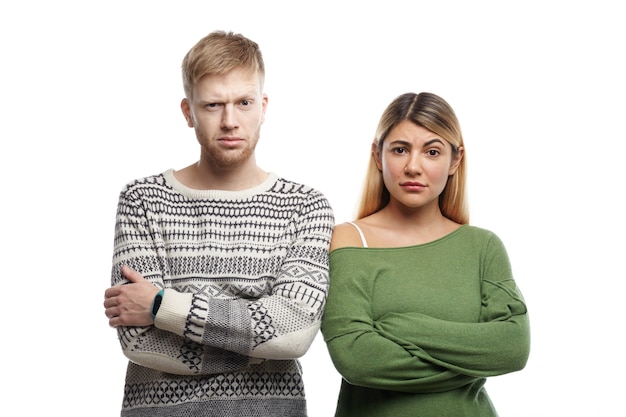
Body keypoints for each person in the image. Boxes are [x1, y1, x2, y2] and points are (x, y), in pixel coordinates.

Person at [103, 30, 335, 417]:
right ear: (188, 112)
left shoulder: (305, 206)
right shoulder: (143, 200)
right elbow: (138, 339)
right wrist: (257, 347)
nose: (230, 121)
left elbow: (294, 332)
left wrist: (163, 305)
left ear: (263, 105)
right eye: (213, 105)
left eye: (243, 102)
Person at [321, 92, 530, 416]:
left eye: (432, 151)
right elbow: (356, 359)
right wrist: (472, 361)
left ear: (455, 161)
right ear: (378, 156)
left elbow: (512, 348)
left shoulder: (482, 247)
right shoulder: (349, 240)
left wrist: (399, 326)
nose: (413, 166)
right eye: (400, 149)